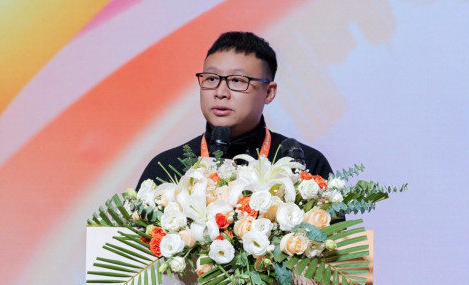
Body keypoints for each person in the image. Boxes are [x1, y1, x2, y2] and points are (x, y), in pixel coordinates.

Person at [135, 31, 333, 189]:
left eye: (237, 81)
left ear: (268, 93)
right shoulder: (166, 168)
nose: (220, 92)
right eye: (211, 79)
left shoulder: (306, 165)